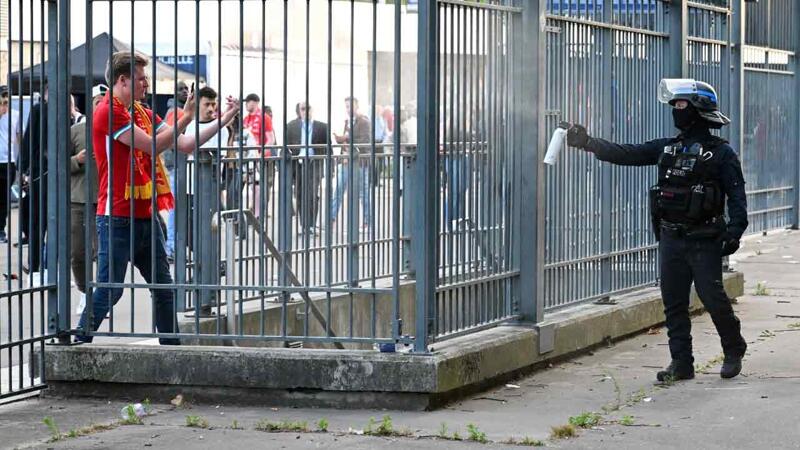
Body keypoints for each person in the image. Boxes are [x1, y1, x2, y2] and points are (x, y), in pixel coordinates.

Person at [566, 79, 748, 381]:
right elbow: (627, 153)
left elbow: (737, 196)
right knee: (673, 303)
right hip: (671, 237)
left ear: (698, 108)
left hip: (704, 238)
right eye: (673, 105)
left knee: (712, 298)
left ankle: (733, 348)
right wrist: (588, 142)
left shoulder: (721, 153)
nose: (675, 110)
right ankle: (681, 363)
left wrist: (735, 231)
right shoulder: (668, 148)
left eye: (680, 105)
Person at [76, 51, 239, 345]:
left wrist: (225, 118)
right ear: (122, 80)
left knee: (164, 288)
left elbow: (186, 144)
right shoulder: (108, 112)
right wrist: (186, 117)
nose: (146, 84)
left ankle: (171, 347)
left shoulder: (142, 112)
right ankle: (79, 338)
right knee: (111, 289)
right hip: (116, 216)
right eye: (140, 79)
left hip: (145, 216)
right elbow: (153, 146)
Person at [69, 84, 106, 314]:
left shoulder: (120, 130)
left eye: (106, 102)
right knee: (78, 252)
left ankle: (101, 295)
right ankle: (85, 292)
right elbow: (58, 163)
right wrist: (77, 160)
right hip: (80, 199)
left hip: (107, 199)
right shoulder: (77, 131)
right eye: (98, 103)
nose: (102, 107)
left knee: (104, 252)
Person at [286, 102, 329, 235]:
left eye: (308, 108)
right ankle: (304, 225)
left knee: (311, 193)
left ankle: (311, 225)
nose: (306, 111)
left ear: (313, 110)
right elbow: (286, 146)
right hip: (298, 163)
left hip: (314, 162)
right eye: (303, 109)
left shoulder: (322, 127)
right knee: (299, 194)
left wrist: (330, 169)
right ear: (299, 111)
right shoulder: (291, 126)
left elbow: (329, 148)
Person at [331, 96, 372, 232]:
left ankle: (367, 222)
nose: (348, 109)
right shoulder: (348, 122)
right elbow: (346, 140)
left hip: (360, 162)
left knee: (363, 192)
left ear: (357, 105)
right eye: (347, 106)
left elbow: (365, 141)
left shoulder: (364, 121)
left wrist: (347, 139)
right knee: (339, 190)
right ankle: (331, 218)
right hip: (346, 161)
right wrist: (341, 139)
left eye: (350, 106)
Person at [19, 83, 47, 273]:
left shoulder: (38, 110)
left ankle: (36, 266)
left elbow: (29, 139)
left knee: (37, 221)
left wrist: (23, 169)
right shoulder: (67, 112)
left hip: (40, 171)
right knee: (55, 223)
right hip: (58, 171)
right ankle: (48, 266)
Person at [162, 80, 190, 261]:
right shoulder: (176, 112)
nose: (185, 92)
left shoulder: (178, 110)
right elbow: (173, 138)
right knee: (175, 208)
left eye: (186, 88)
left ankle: (175, 246)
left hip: (179, 163)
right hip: (177, 164)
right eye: (181, 89)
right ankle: (172, 247)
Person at [0, 86, 20, 244]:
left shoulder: (15, 116)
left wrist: (22, 159)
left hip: (8, 162)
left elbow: (19, 137)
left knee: (4, 198)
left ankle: (1, 228)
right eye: (2, 101)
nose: (4, 105)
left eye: (7, 102)